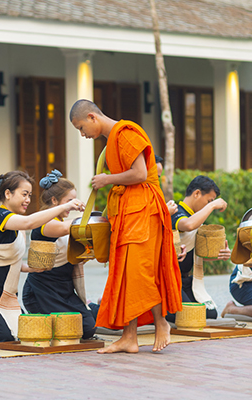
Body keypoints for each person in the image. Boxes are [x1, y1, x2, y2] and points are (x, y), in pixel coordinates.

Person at [69, 99, 182, 353]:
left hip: (143, 208)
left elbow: (140, 174)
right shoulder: (111, 142)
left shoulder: (126, 132)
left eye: (81, 127)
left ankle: (161, 322)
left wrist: (107, 179)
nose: (83, 134)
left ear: (92, 117)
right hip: (127, 210)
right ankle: (129, 337)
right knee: (125, 274)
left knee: (139, 270)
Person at [0, 171, 85, 345]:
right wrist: (64, 207)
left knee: (23, 334)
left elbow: (12, 262)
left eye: (30, 195)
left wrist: (31, 268)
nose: (28, 200)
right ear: (8, 194)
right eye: (24, 194)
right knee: (3, 337)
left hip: (3, 296)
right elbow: (29, 223)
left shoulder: (16, 224)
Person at [22, 170, 98, 339]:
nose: (74, 204)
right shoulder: (46, 223)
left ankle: (95, 307)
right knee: (80, 330)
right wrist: (92, 218)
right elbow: (68, 229)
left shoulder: (61, 221)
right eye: (69, 201)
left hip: (64, 289)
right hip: (42, 291)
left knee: (89, 326)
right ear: (55, 201)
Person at [167, 176, 231, 322]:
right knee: (186, 316)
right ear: (197, 194)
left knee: (210, 314)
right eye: (209, 200)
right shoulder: (176, 211)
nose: (209, 205)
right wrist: (213, 206)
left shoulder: (196, 217)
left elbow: (198, 252)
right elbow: (188, 225)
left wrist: (221, 254)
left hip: (186, 281)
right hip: (170, 280)